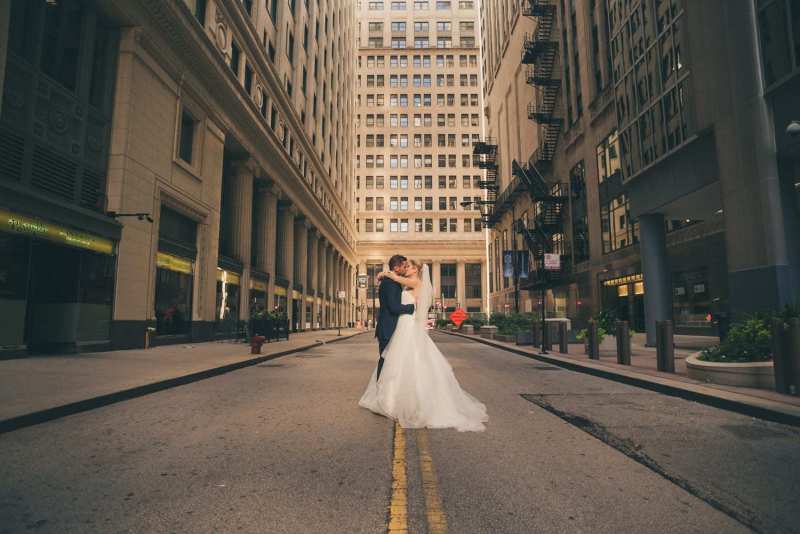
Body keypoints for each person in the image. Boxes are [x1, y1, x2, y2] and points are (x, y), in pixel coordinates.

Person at [359, 259, 488, 432]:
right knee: (399, 363)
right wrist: (385, 274)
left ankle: (408, 401)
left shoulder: (415, 282)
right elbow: (397, 282)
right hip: (402, 325)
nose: (407, 269)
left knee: (410, 361)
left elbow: (398, 280)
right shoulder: (407, 283)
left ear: (417, 270)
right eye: (406, 266)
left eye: (410, 267)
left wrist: (386, 273)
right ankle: (393, 398)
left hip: (408, 325)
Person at [374, 255, 416, 379]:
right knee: (385, 360)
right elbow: (393, 307)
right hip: (387, 328)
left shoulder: (390, 280)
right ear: (397, 268)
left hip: (388, 327)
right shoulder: (391, 283)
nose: (405, 269)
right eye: (404, 266)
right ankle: (380, 390)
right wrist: (411, 307)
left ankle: (383, 389)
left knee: (387, 361)